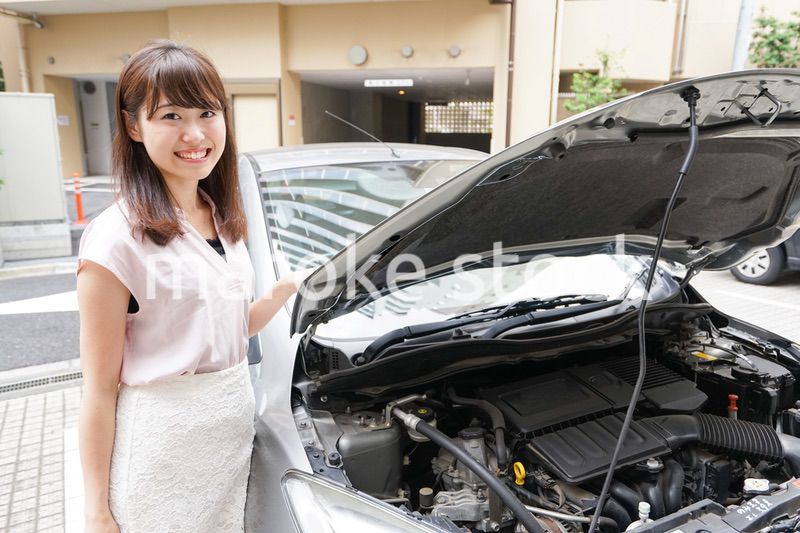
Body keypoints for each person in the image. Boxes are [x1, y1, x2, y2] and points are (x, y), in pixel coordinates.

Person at [76, 40, 303, 533]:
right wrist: (96, 511)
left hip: (229, 440)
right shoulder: (115, 240)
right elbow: (97, 388)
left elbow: (227, 328)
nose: (195, 133)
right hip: (162, 452)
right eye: (171, 116)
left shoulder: (220, 215)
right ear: (134, 126)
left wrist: (285, 292)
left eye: (207, 111)